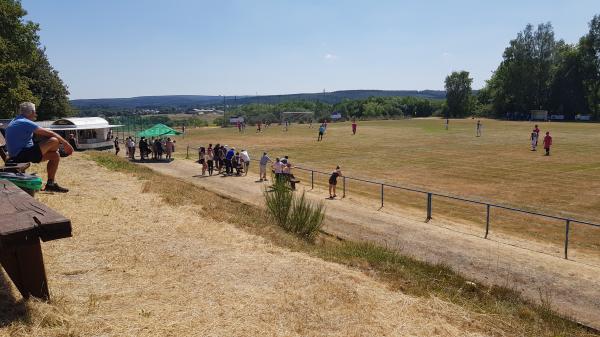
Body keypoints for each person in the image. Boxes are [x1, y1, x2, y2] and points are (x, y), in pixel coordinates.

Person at [5, 102, 73, 192]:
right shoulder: (24, 122)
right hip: (20, 155)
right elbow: (51, 134)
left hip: (20, 154)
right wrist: (66, 144)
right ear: (31, 112)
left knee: (55, 156)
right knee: (54, 140)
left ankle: (50, 184)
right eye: (35, 112)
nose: (36, 114)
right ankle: (62, 151)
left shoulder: (17, 120)